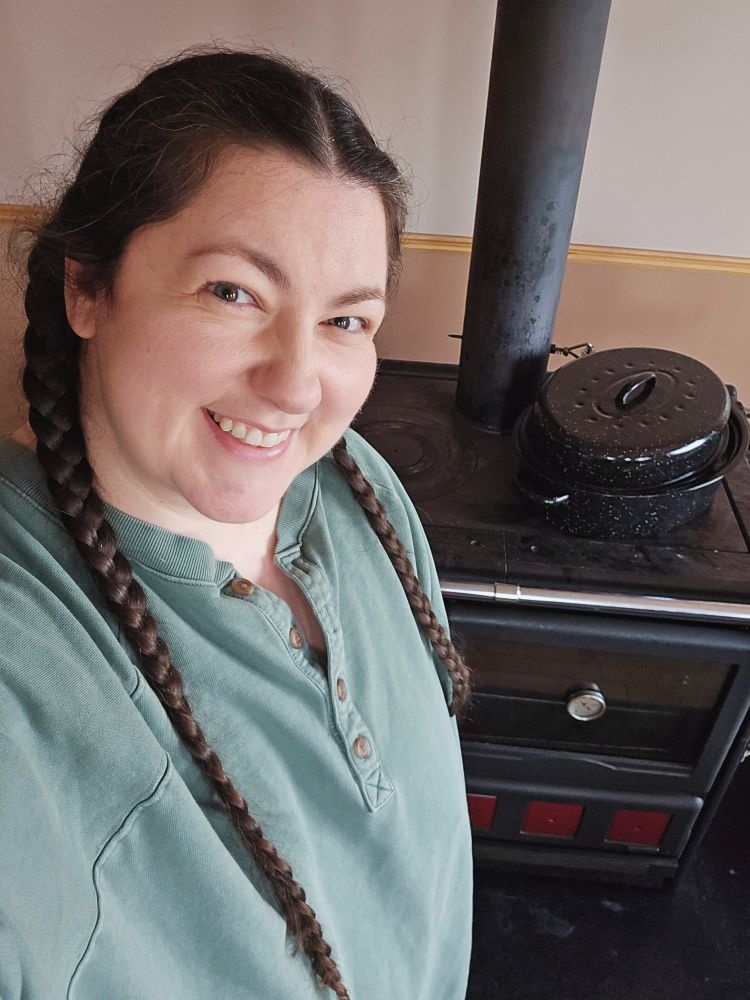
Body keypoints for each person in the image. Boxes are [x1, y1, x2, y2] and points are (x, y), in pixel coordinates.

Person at [0, 48, 474, 1000]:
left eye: (347, 321)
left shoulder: (355, 487)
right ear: (85, 288)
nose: (298, 384)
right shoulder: (28, 659)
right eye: (234, 293)